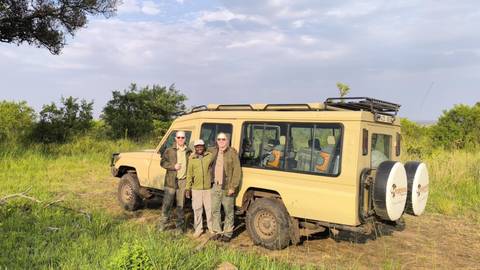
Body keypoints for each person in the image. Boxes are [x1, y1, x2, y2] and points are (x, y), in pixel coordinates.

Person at [209, 133, 241, 242]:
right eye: (219, 139)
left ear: (227, 141)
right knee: (215, 210)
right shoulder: (213, 151)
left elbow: (237, 171)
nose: (221, 141)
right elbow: (200, 150)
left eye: (223, 139)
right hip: (215, 186)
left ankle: (227, 233)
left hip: (227, 187)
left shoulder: (232, 153)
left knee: (229, 211)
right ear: (216, 141)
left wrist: (233, 186)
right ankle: (217, 231)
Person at [158, 131, 192, 233]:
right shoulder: (169, 150)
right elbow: (162, 162)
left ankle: (179, 227)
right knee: (167, 204)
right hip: (171, 181)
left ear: (185, 139)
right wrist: (173, 166)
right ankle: (163, 225)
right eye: (179, 137)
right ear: (175, 139)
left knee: (180, 205)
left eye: (182, 137)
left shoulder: (189, 151)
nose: (180, 139)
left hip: (183, 181)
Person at [185, 139, 214, 238]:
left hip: (208, 188)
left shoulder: (209, 156)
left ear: (204, 146)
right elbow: (189, 175)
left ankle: (211, 228)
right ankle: (198, 229)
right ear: (195, 148)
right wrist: (188, 188)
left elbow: (216, 150)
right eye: (197, 146)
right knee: (197, 209)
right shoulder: (192, 159)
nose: (199, 148)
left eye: (201, 146)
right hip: (196, 189)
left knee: (209, 209)